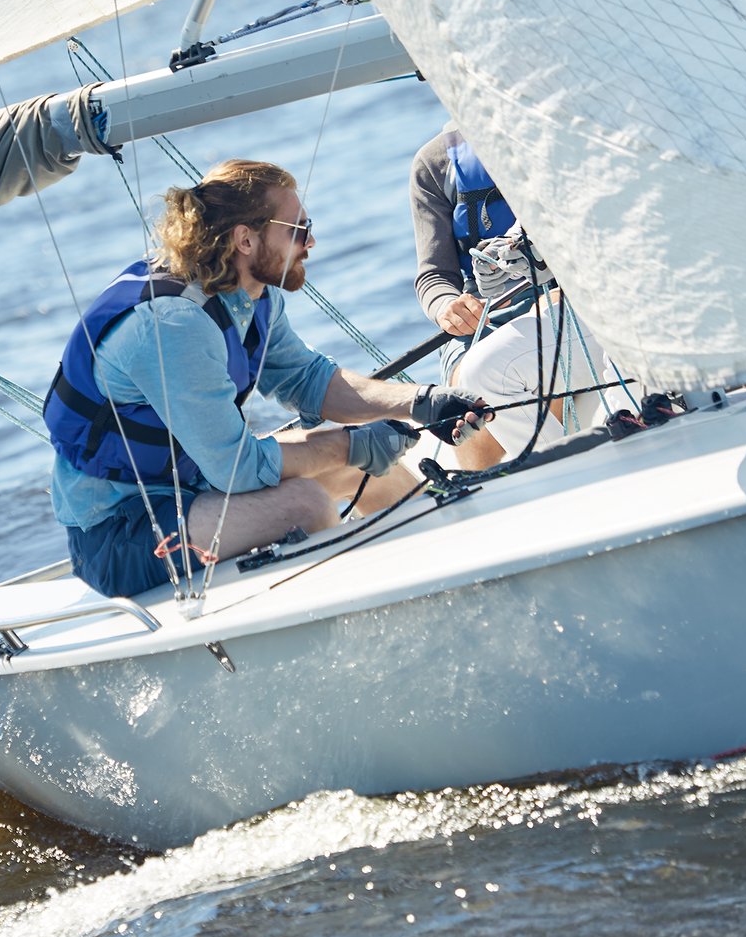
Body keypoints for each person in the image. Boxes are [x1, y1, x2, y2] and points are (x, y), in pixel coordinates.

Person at [47, 159, 492, 598]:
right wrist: (351, 443)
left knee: (377, 472)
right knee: (307, 505)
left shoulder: (249, 294)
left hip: (197, 487)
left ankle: (461, 577)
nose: (311, 241)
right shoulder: (173, 325)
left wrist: (422, 402)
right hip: (121, 532)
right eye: (297, 229)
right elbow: (237, 469)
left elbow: (309, 381)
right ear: (245, 239)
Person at [410, 128, 611, 468]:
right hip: (482, 317)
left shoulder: (555, 130)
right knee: (466, 407)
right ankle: (495, 496)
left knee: (505, 376)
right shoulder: (433, 164)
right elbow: (433, 275)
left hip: (564, 296)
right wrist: (448, 306)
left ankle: (569, 472)